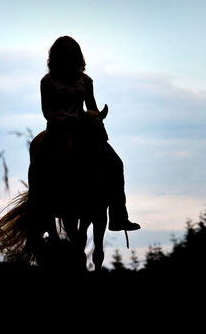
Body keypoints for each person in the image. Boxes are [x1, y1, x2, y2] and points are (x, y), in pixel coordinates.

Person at [40, 35, 140, 232]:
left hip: (81, 129)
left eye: (71, 51)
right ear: (57, 56)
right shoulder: (47, 81)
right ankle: (39, 208)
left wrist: (95, 120)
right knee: (40, 163)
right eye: (64, 51)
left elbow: (91, 106)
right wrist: (61, 120)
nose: (68, 54)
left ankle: (118, 215)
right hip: (57, 130)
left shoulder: (86, 81)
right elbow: (46, 110)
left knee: (116, 163)